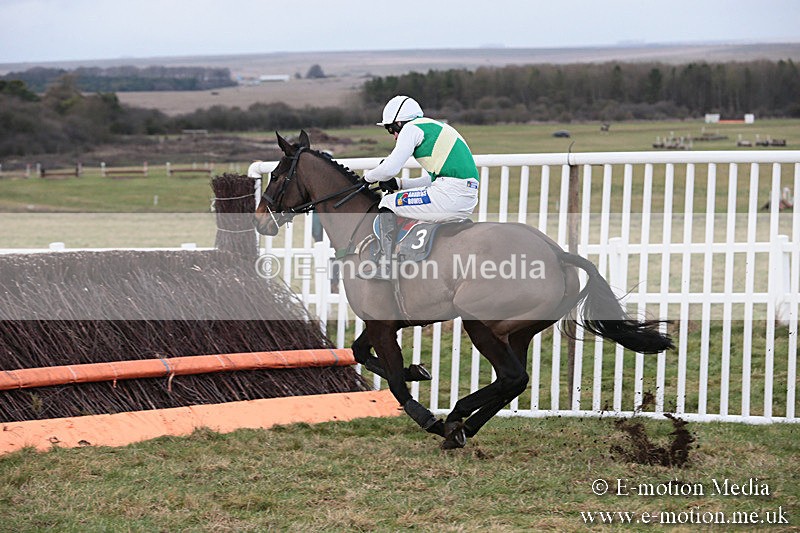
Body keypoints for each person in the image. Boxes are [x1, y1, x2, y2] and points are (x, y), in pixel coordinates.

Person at [362, 95, 480, 279]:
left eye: (391, 129)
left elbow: (389, 168)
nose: (394, 136)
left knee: (387, 202)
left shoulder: (411, 128)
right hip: (464, 197)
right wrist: (401, 184)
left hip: (449, 196)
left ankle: (386, 266)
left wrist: (366, 178)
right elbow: (436, 179)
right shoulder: (435, 126)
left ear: (400, 122)